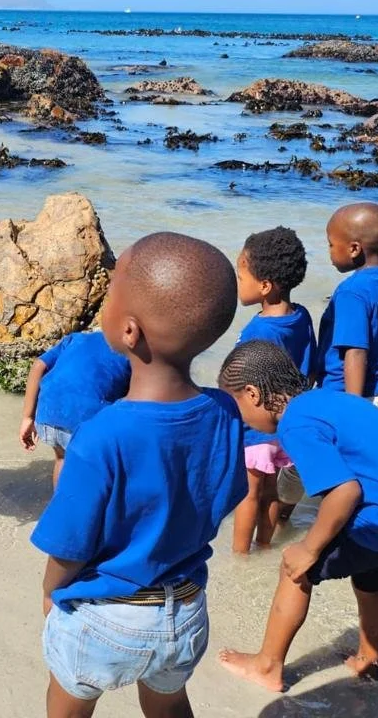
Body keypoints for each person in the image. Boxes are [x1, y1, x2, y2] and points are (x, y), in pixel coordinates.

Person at [31, 232, 246, 718]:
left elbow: (68, 547)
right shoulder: (226, 412)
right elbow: (225, 494)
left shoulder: (99, 436)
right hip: (185, 608)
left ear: (130, 331)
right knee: (168, 706)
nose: (103, 299)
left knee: (67, 701)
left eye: (109, 291)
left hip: (106, 615)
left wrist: (50, 596)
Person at [217, 340, 378, 693]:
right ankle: (368, 662)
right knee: (369, 578)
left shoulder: (294, 424)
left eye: (236, 408)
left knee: (295, 568)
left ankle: (267, 666)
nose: (241, 420)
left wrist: (309, 547)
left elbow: (345, 492)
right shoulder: (329, 399)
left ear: (252, 394)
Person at [231, 226, 316, 554]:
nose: (238, 282)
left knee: (248, 493)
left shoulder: (259, 329)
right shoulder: (301, 316)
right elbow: (311, 365)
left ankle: (240, 556)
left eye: (241, 275)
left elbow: (247, 382)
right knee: (271, 493)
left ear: (265, 286)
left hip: (257, 426)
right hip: (288, 423)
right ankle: (264, 546)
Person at [315, 202, 378, 417]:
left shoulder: (352, 292)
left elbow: (355, 351)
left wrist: (353, 411)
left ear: (354, 248)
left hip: (347, 398)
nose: (329, 251)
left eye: (331, 244)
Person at [19, 331, 130, 487]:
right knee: (98, 473)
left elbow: (39, 365)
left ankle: (61, 507)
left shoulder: (76, 338)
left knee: (62, 459)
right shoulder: (132, 352)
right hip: (83, 420)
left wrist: (27, 417)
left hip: (48, 415)